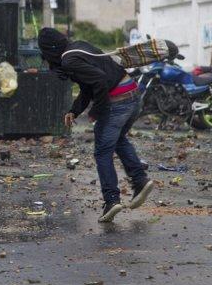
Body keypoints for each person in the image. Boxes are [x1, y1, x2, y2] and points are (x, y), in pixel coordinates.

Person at [38, 28, 154, 223]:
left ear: (49, 50)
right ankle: (140, 180)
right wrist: (74, 111)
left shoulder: (69, 60)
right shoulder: (79, 47)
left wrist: (96, 112)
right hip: (133, 96)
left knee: (102, 152)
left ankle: (112, 199)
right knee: (118, 139)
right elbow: (88, 86)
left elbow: (99, 80)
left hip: (119, 102)